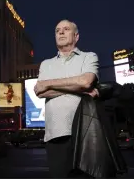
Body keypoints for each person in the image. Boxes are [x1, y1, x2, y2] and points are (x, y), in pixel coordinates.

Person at [34, 19, 99, 178]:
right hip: (55, 134)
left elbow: (86, 81)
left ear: (76, 36)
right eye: (57, 30)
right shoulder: (46, 64)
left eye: (66, 29)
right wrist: (80, 89)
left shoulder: (88, 57)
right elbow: (40, 92)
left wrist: (49, 83)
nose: (61, 32)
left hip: (86, 133)